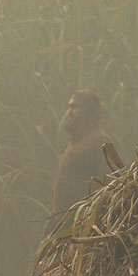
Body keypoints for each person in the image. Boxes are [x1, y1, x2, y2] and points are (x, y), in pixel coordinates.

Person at [51, 89, 121, 218]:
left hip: (83, 224)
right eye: (69, 106)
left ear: (88, 110)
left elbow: (108, 189)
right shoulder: (70, 145)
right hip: (61, 222)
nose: (69, 112)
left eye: (75, 107)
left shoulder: (101, 143)